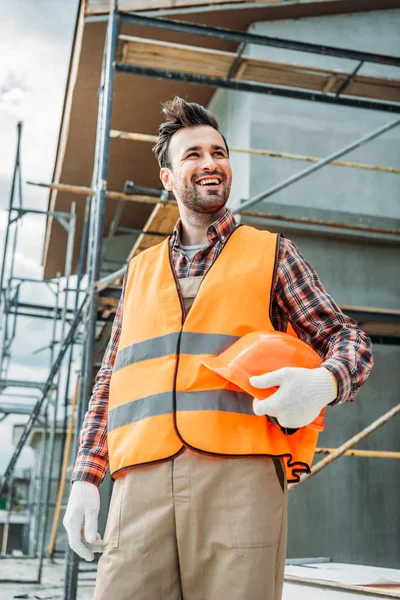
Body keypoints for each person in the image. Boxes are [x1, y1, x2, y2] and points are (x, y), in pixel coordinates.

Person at [64, 97, 374, 600]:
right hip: (139, 481)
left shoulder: (271, 252)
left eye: (219, 152)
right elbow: (111, 380)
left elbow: (348, 341)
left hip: (240, 478)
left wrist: (324, 381)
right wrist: (85, 477)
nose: (210, 162)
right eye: (193, 155)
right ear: (168, 178)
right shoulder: (139, 272)